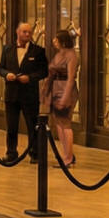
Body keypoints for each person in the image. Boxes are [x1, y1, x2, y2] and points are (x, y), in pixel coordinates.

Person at [0, 22, 48, 163]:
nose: (27, 35)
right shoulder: (7, 49)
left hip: (29, 94)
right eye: (24, 32)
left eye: (29, 32)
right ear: (17, 32)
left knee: (32, 125)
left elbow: (44, 71)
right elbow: (0, 68)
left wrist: (30, 78)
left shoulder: (38, 51)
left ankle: (35, 153)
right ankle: (11, 152)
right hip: (11, 94)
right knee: (11, 126)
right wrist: (6, 75)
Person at [43, 30, 80, 167]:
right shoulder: (59, 54)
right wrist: (46, 90)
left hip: (66, 89)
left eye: (56, 39)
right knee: (58, 123)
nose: (54, 41)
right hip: (56, 88)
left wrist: (65, 97)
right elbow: (51, 73)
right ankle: (66, 154)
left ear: (62, 41)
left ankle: (69, 158)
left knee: (65, 123)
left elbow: (71, 78)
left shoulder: (71, 55)